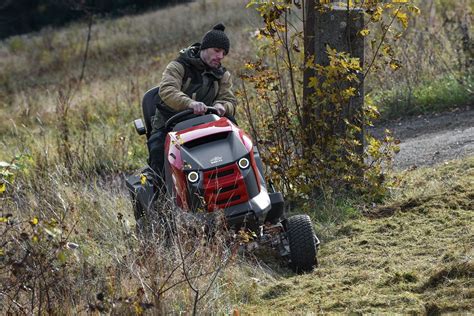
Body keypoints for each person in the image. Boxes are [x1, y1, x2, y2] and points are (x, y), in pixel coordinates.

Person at [147, 23, 237, 183]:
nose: (220, 56)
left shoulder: (223, 75)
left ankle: (237, 180)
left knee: (236, 136)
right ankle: (161, 198)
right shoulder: (178, 66)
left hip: (207, 123)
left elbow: (229, 100)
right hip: (169, 126)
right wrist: (190, 104)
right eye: (217, 51)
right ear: (204, 48)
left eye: (224, 53)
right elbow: (167, 91)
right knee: (157, 149)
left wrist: (222, 107)